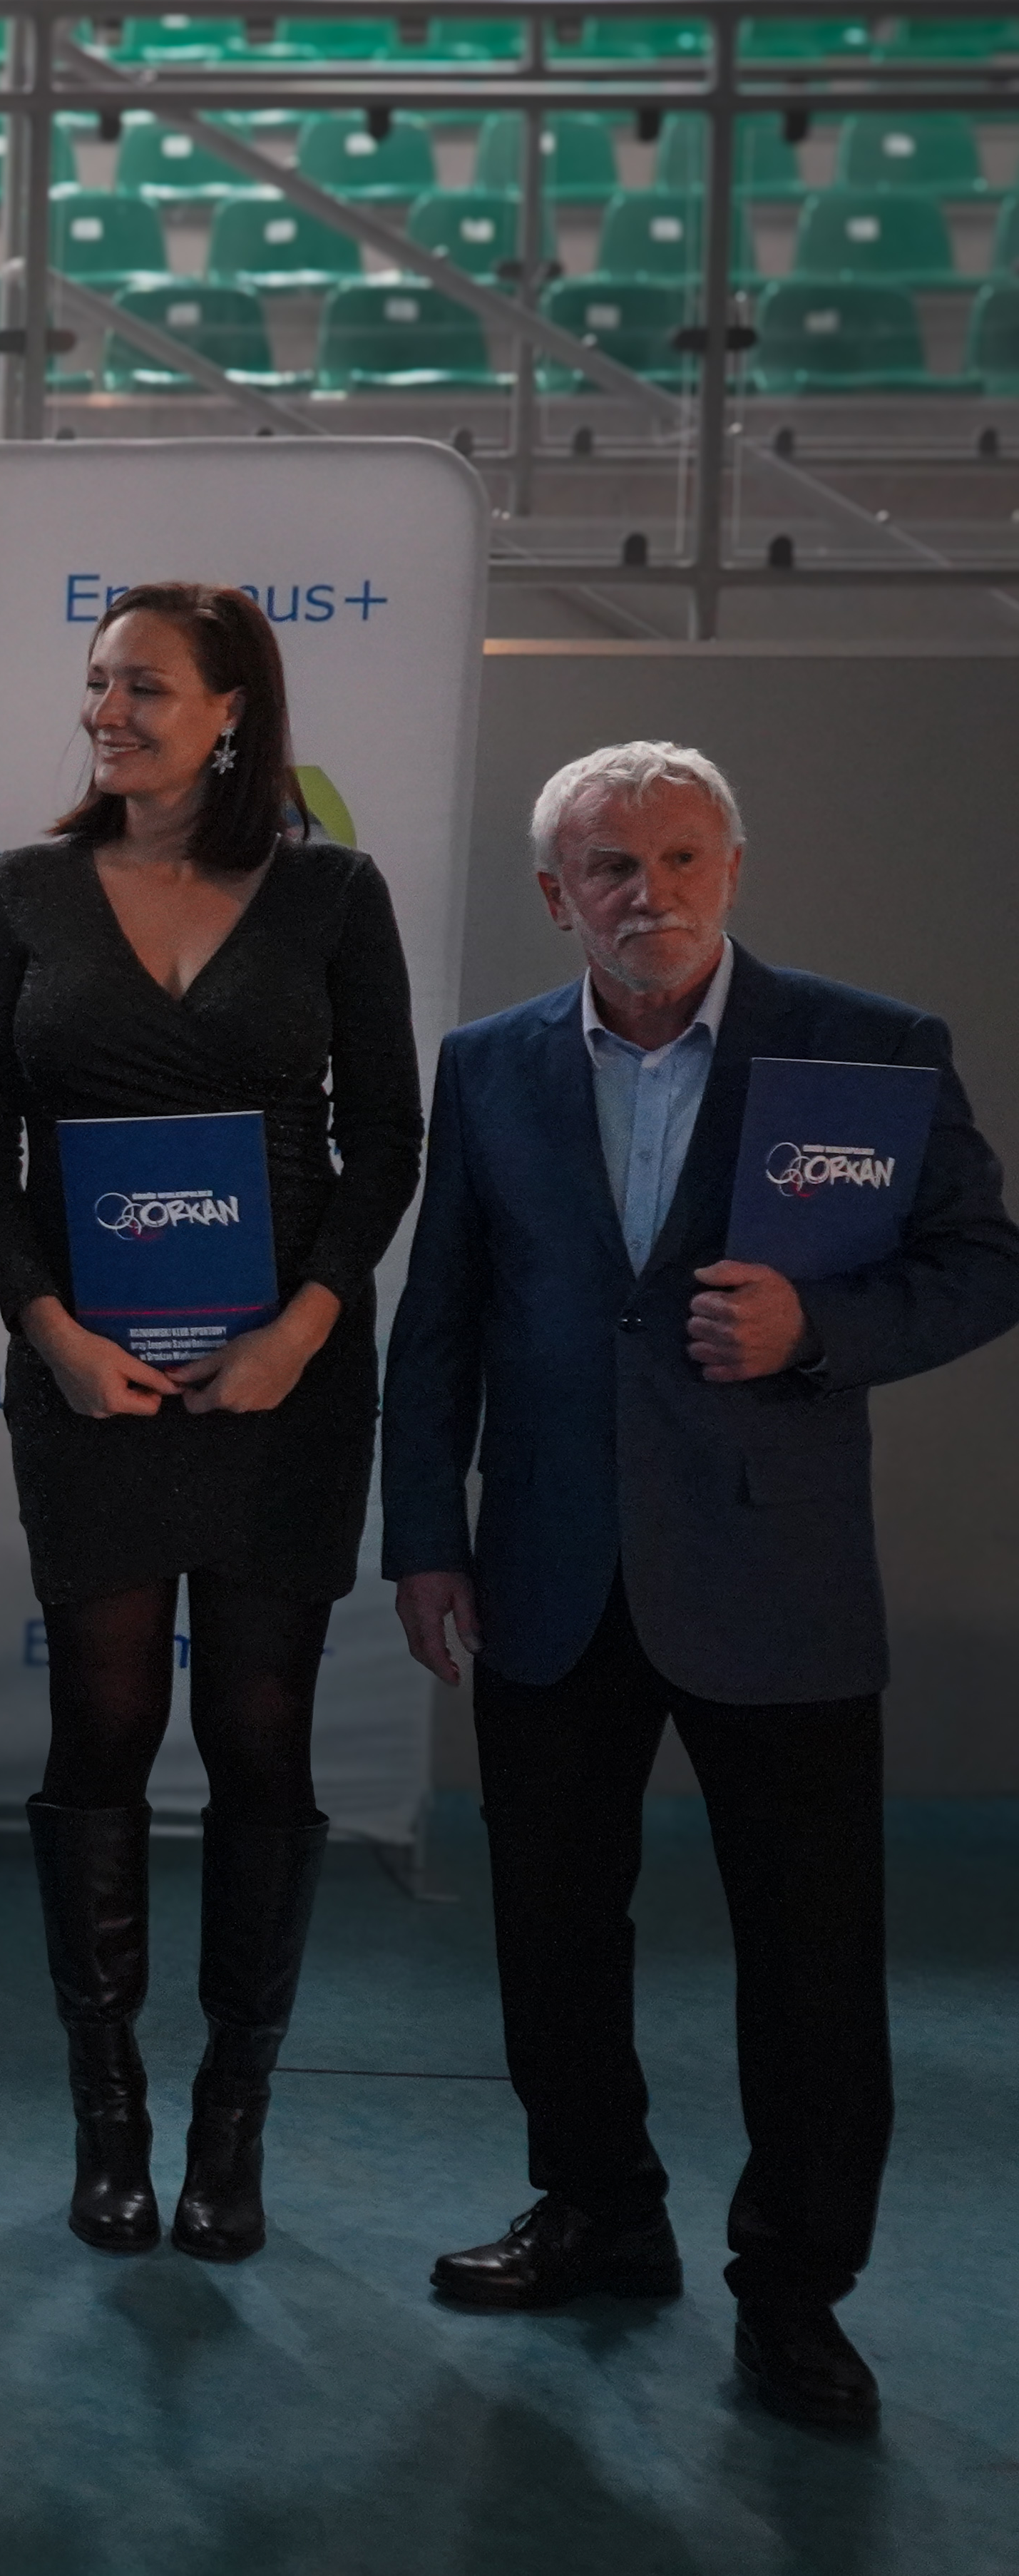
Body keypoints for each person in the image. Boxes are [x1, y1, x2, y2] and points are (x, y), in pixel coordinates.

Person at [385, 742, 1019, 2433]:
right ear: (554, 893)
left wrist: (820, 1329)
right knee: (551, 1929)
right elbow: (438, 1316)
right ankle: (597, 2206)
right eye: (608, 865)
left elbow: (982, 1260)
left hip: (773, 1572)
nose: (644, 893)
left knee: (808, 1958)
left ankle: (793, 2290)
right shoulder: (489, 1064)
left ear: (730, 867)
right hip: (547, 1563)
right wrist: (423, 1533)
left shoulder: (865, 1047)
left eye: (677, 857)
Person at [0, 582, 422, 2264]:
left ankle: (231, 2120)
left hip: (281, 1384)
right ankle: (110, 2116)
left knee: (258, 1733)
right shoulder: (21, 893)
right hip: (91, 1381)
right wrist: (50, 1330)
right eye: (94, 680)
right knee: (102, 1723)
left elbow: (386, 1140)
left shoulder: (333, 895)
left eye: (141, 684)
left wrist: (303, 1325)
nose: (105, 709)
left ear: (229, 710)